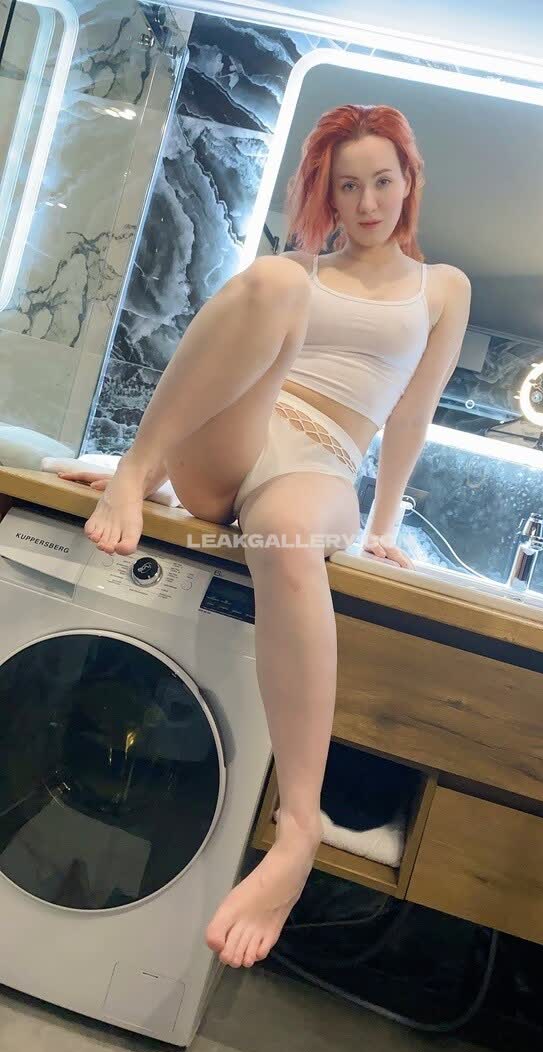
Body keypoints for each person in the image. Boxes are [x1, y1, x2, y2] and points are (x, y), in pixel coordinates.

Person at [58, 104, 471, 969]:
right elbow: (224, 372)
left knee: (282, 533)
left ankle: (297, 827)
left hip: (319, 465)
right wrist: (155, 481)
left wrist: (384, 524)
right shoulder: (300, 272)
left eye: (382, 182)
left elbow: (411, 415)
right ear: (328, 192)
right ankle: (137, 466)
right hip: (236, 440)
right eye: (347, 186)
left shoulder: (442, 289)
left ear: (409, 183)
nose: (366, 202)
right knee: (276, 282)